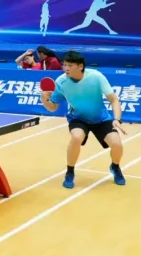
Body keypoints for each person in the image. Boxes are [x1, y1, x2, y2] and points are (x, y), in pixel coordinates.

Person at [40, 50, 127, 189]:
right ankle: (70, 172)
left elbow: (113, 99)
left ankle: (115, 167)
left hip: (101, 119)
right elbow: (53, 107)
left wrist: (117, 119)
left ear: (80, 66)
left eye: (70, 65)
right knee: (76, 137)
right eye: (64, 65)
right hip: (78, 118)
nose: (66, 68)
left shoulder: (96, 77)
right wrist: (44, 100)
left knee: (117, 144)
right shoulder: (61, 81)